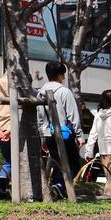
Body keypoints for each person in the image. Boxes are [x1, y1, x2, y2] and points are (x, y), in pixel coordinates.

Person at [36, 61, 81, 194]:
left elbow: (40, 118)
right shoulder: (64, 92)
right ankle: (61, 187)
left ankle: (58, 187)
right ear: (61, 75)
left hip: (48, 135)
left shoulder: (40, 93)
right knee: (73, 164)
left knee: (57, 163)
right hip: (64, 134)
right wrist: (79, 134)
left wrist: (43, 137)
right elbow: (73, 115)